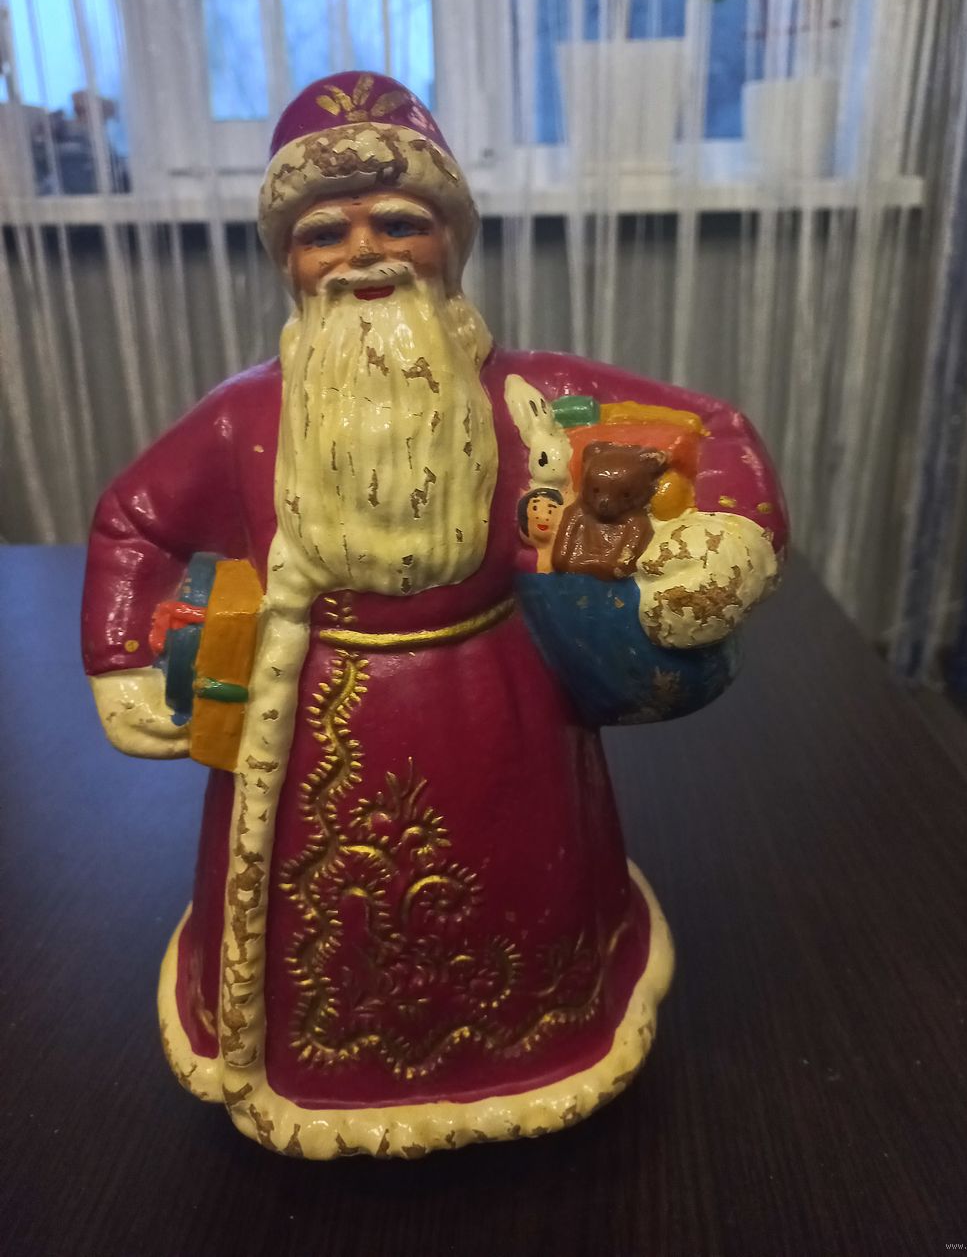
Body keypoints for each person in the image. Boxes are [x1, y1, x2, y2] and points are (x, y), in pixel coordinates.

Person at [82, 71, 787, 1159]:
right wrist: (127, 652)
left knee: (519, 886)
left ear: (451, 237)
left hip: (500, 705)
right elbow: (133, 518)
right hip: (306, 716)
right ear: (287, 259)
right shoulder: (245, 417)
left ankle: (534, 1038)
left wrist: (720, 545)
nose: (364, 252)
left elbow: (714, 432)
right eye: (325, 233)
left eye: (399, 221)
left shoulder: (526, 397)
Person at [517, 486, 566, 571]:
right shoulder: (523, 557)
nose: (543, 517)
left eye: (550, 511)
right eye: (535, 508)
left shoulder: (560, 555)